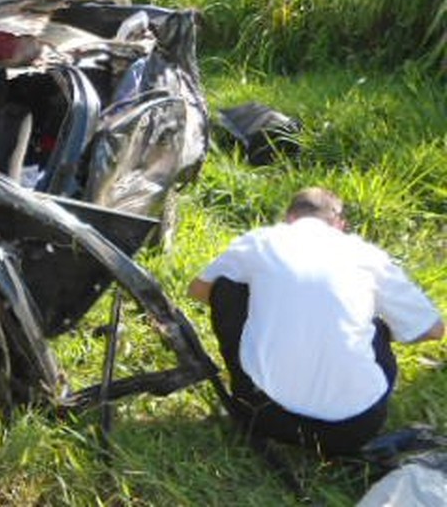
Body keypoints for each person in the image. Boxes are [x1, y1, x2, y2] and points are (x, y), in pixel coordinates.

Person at [188, 187, 443, 455]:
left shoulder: (261, 241)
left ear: (288, 219)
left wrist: (266, 307)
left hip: (262, 414)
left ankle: (249, 388)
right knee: (376, 327)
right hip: (353, 430)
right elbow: (434, 329)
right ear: (340, 224)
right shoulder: (368, 257)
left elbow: (200, 289)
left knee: (226, 288)